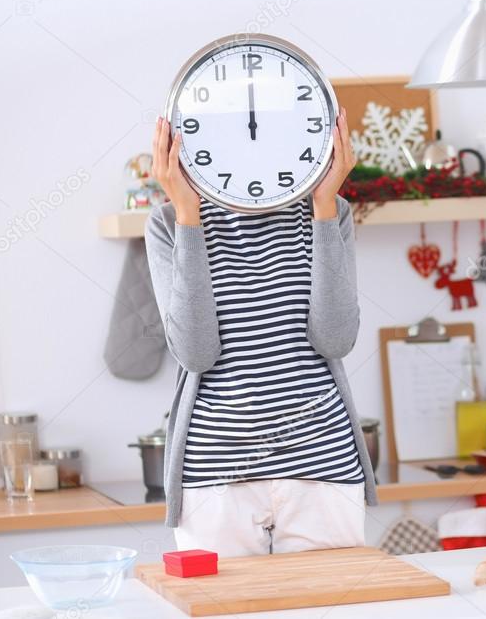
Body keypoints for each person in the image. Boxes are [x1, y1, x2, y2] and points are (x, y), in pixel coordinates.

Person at [144, 109, 376, 557]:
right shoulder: (168, 221)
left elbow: (335, 339)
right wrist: (189, 216)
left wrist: (324, 206)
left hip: (322, 462)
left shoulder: (331, 210)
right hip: (215, 472)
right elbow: (195, 352)